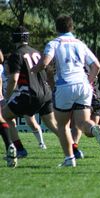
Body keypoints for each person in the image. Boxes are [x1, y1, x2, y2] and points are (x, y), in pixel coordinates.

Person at [32, 15, 100, 167]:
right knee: (82, 123)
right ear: (71, 27)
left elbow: (45, 62)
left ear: (56, 28)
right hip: (83, 86)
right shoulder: (80, 44)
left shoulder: (54, 43)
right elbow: (97, 66)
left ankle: (69, 159)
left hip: (65, 85)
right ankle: (93, 128)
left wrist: (33, 70)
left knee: (63, 125)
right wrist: (89, 82)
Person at [2, 26, 60, 168]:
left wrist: (6, 98)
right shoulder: (36, 52)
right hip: (45, 93)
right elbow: (45, 72)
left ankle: (20, 149)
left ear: (15, 38)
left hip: (29, 94)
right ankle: (74, 149)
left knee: (4, 116)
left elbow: (14, 79)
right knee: (54, 125)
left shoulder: (16, 54)